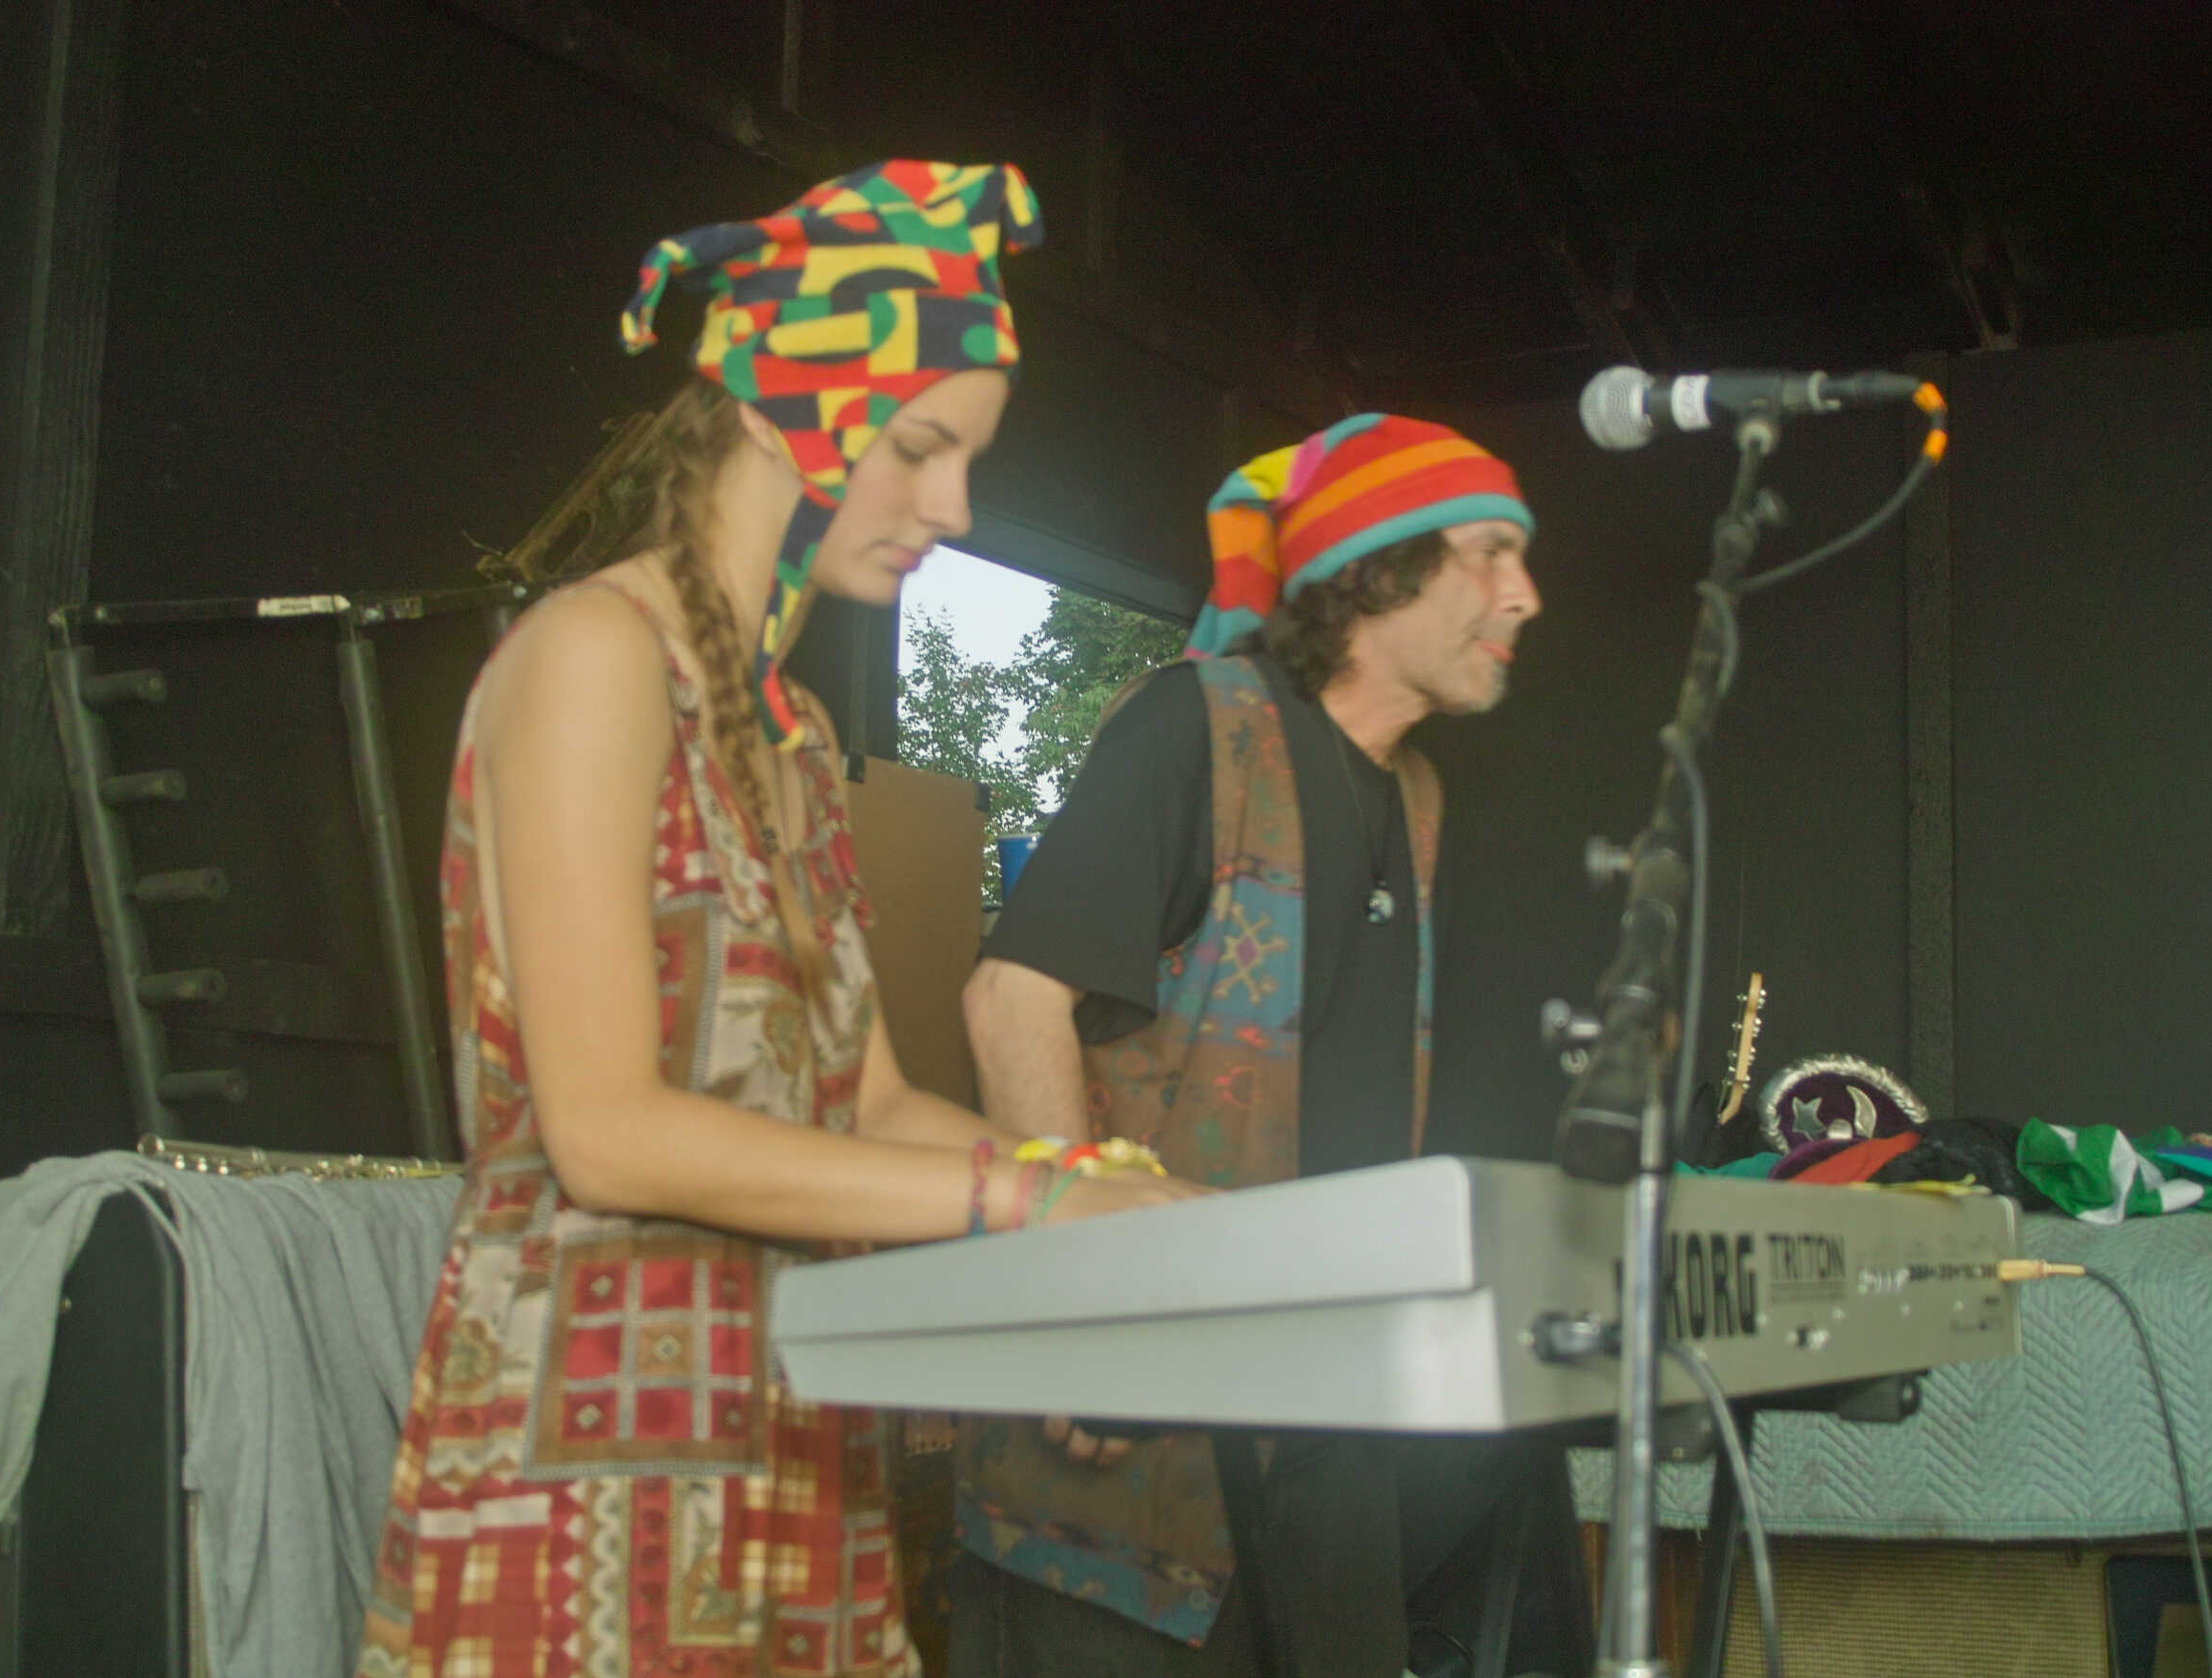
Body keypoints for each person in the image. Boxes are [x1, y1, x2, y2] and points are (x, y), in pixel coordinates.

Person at [354, 160, 1202, 1678]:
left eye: (967, 459)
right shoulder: (594, 654)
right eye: (918, 447)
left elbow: (869, 1105)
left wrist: (1092, 1209)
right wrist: (1028, 1209)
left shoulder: (796, 736)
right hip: (586, 1476)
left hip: (792, 1450)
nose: (952, 507)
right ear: (771, 409)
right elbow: (605, 1134)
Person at [951, 414, 1548, 1676]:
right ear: (1381, 568)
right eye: (1490, 554)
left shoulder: (1417, 798)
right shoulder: (1196, 727)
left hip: (1320, 1445)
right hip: (1121, 1453)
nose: (1524, 595)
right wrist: (1082, 1305)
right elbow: (1012, 1000)